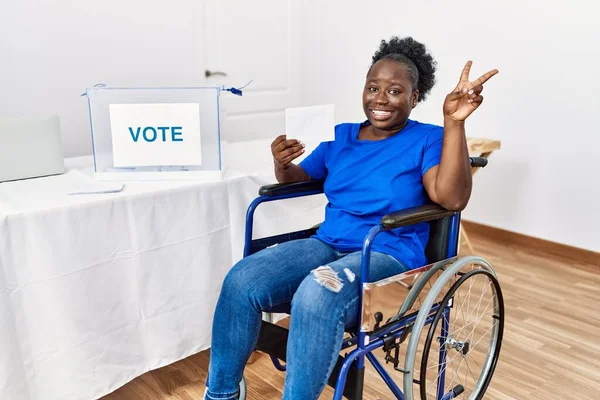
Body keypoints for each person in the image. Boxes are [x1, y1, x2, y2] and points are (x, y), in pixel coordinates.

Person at [204, 36, 498, 400]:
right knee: (241, 280)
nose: (380, 98)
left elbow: (451, 198)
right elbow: (299, 178)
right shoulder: (340, 135)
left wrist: (454, 123)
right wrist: (283, 163)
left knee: (315, 293)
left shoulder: (427, 138)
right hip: (328, 243)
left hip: (386, 252)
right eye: (373, 87)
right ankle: (220, 394)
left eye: (395, 90)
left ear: (414, 97)